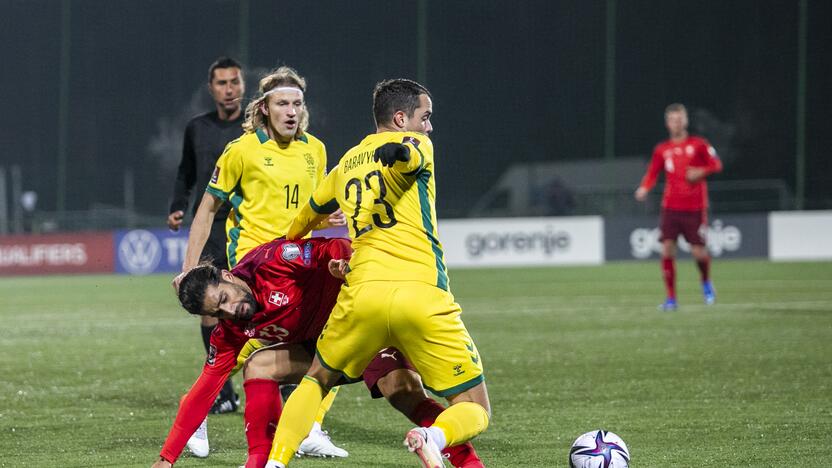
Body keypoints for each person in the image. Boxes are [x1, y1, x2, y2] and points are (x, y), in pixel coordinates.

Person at [265, 79, 491, 468]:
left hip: (362, 297)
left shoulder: (345, 164)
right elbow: (410, 157)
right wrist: (400, 150)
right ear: (401, 118)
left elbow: (300, 222)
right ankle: (433, 436)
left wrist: (301, 238)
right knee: (475, 407)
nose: (429, 127)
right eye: (426, 117)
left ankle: (275, 463)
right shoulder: (417, 143)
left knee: (317, 380)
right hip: (420, 296)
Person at [151, 237, 483, 468]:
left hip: (362, 325)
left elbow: (333, 248)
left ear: (227, 275)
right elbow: (203, 390)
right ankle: (260, 462)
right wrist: (167, 458)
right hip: (326, 348)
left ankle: (469, 462)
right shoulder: (232, 328)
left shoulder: (276, 262)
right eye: (219, 313)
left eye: (225, 299)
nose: (231, 311)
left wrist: (346, 266)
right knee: (259, 365)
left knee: (402, 393)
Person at [176, 65, 347, 458]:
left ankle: (309, 427)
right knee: (242, 351)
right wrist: (189, 270)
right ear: (265, 108)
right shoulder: (242, 150)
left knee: (335, 337)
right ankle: (197, 415)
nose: (291, 111)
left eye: (297, 104)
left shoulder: (315, 150)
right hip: (253, 268)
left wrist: (326, 217)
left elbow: (307, 209)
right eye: (282, 103)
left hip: (298, 266)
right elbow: (206, 211)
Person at [167, 56, 246, 420]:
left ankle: (276, 380)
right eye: (222, 83)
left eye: (235, 82)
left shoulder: (254, 129)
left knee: (252, 300)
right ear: (211, 88)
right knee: (209, 306)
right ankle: (223, 392)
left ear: (243, 85)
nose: (229, 89)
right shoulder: (197, 128)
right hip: (211, 227)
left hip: (248, 227)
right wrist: (178, 206)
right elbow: (186, 171)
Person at [634, 103, 723, 311]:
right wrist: (644, 188)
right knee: (666, 250)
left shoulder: (699, 144)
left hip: (694, 207)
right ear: (667, 123)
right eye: (673, 120)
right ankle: (671, 298)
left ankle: (706, 283)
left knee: (698, 252)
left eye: (680, 119)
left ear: (686, 121)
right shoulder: (662, 150)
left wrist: (700, 172)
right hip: (671, 207)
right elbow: (652, 173)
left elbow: (717, 164)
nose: (677, 123)